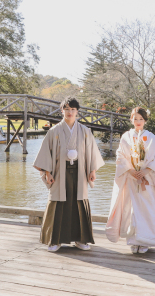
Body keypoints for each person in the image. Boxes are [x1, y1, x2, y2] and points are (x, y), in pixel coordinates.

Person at [33, 96, 104, 252]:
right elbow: (46, 153)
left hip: (80, 172)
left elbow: (92, 153)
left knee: (79, 203)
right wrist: (47, 172)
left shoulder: (85, 131)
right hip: (59, 172)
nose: (70, 112)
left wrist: (92, 170)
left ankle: (81, 239)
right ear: (62, 111)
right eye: (67, 109)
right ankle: (54, 240)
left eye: (72, 109)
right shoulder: (54, 131)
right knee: (58, 203)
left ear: (77, 111)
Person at [105, 107, 155, 254]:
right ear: (131, 119)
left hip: (146, 179)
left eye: (141, 119)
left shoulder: (151, 137)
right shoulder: (126, 137)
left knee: (147, 209)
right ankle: (134, 241)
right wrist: (131, 170)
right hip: (131, 178)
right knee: (132, 209)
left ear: (145, 120)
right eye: (135, 119)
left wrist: (145, 171)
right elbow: (120, 156)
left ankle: (146, 240)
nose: (138, 122)